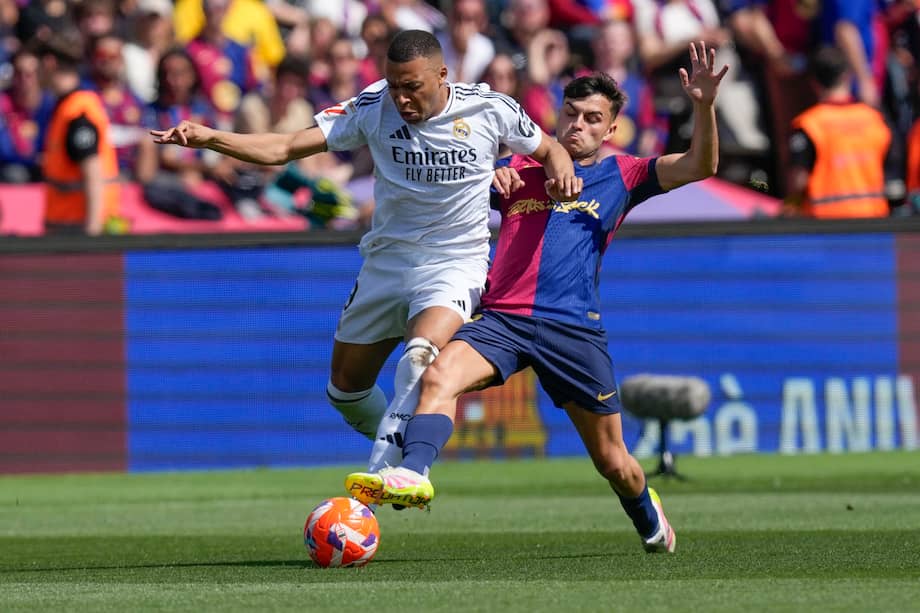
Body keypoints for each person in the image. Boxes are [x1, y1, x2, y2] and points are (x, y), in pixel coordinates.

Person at [345, 41, 729, 554]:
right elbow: (437, 187)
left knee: (614, 463)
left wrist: (703, 107)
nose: (578, 125)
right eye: (571, 113)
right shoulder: (514, 170)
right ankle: (413, 473)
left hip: (572, 330)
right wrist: (489, 172)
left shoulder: (625, 174)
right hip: (502, 320)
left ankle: (647, 515)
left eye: (593, 119)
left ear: (611, 129)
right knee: (436, 373)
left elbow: (700, 165)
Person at [152, 29, 580, 472]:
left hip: (455, 260)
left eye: (412, 86)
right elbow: (283, 147)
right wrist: (210, 137)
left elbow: (549, 148)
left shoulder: (489, 107)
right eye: (394, 85)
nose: (401, 98)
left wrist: (563, 173)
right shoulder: (372, 107)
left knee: (419, 356)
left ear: (442, 75)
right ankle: (400, 454)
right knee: (346, 391)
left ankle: (392, 476)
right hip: (386, 262)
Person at [784, 46, 891, 219]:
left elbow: (798, 180)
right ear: (847, 76)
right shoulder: (875, 119)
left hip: (828, 227)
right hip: (874, 222)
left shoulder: (808, 124)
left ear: (814, 82)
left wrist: (789, 209)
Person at [37, 34, 121, 236]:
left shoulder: (77, 112)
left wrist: (92, 234)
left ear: (49, 63)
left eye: (37, 65)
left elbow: (93, 174)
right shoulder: (66, 107)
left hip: (78, 234)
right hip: (68, 231)